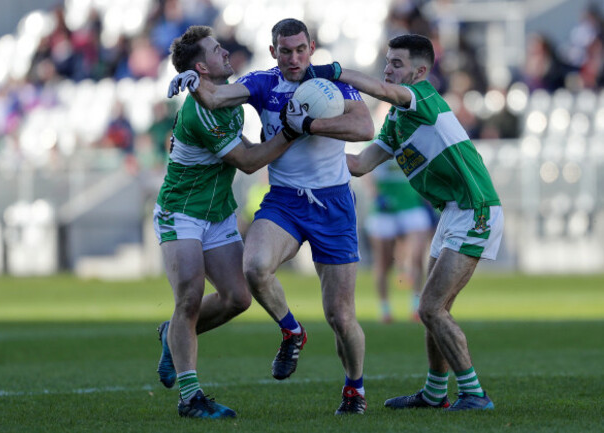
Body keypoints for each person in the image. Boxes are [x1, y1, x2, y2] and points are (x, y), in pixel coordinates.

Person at [168, 18, 375, 415]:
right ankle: (291, 330)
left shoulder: (331, 81)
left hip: (333, 205)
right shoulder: (263, 83)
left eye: (300, 49)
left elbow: (364, 127)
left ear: (311, 48)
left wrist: (311, 124)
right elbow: (216, 98)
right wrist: (194, 83)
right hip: (284, 201)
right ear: (273, 52)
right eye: (285, 51)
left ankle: (354, 389)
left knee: (341, 315)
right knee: (255, 267)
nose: (293, 58)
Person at [307, 34, 503, 411]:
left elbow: (383, 91)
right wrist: (308, 139)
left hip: (476, 209)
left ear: (420, 71)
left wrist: (334, 72)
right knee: (435, 308)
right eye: (387, 61)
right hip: (452, 212)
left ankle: (475, 393)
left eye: (397, 63)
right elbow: (361, 165)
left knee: (430, 306)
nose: (388, 69)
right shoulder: (397, 120)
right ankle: (433, 393)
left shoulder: (424, 97)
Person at [154, 25, 300, 420]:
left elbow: (249, 148)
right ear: (201, 66)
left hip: (217, 214)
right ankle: (190, 397)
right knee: (188, 296)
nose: (226, 53)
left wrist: (290, 142)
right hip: (181, 212)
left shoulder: (227, 100)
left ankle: (172, 336)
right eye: (217, 50)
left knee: (238, 298)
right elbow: (250, 161)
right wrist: (293, 130)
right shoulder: (200, 110)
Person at [364, 157, 434, 323]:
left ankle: (416, 306)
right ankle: (385, 308)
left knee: (417, 257)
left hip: (412, 207)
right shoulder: (377, 143)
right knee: (383, 262)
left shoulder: (413, 143)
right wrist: (375, 195)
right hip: (384, 211)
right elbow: (367, 173)